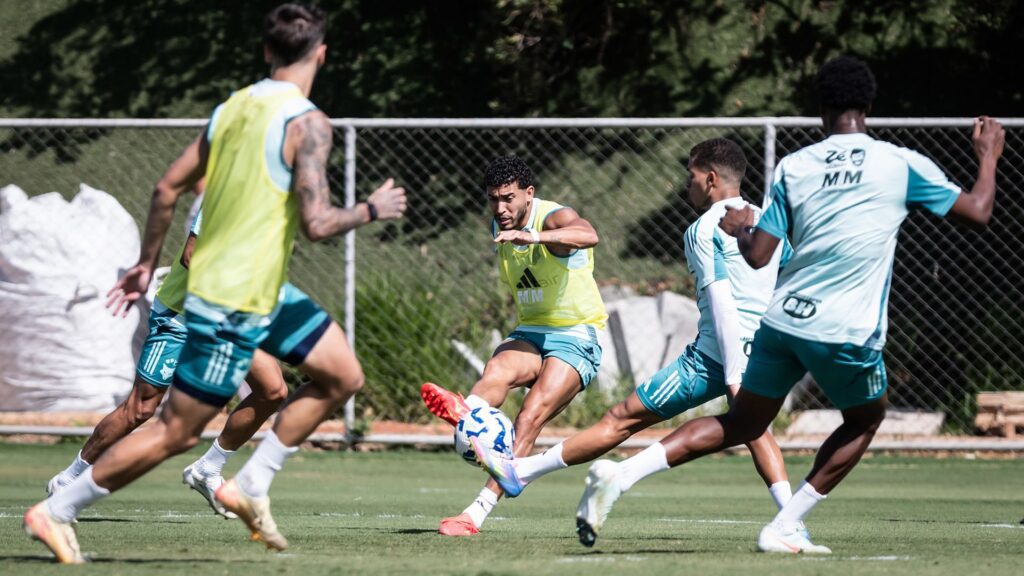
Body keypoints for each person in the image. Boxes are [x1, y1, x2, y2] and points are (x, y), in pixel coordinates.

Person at [572, 55, 1005, 554]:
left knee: (744, 423)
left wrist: (739, 230)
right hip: (844, 326)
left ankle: (620, 476)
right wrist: (988, 154)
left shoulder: (796, 166)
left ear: (820, 106)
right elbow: (978, 212)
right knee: (865, 419)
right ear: (868, 105)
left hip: (781, 324)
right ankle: (785, 524)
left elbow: (757, 256)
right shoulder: (899, 162)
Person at [23, 4, 407, 563]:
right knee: (172, 428)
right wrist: (373, 208)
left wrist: (143, 262)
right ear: (321, 54)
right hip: (230, 298)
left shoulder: (231, 108)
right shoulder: (308, 123)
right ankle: (57, 509)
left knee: (340, 373)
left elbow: (164, 189)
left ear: (267, 52)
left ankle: (248, 483)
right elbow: (318, 224)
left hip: (261, 291)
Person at [473, 139, 796, 547]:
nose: (687, 185)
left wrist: (733, 372)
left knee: (622, 420)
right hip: (762, 351)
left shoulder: (701, 229)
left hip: (713, 357)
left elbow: (721, 305)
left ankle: (553, 472)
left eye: (691, 176)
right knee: (752, 426)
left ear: (711, 179)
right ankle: (791, 520)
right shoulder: (769, 223)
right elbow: (785, 282)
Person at [46, 206, 288, 520]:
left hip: (227, 318)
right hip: (181, 317)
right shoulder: (227, 194)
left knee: (273, 391)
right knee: (140, 409)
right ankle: (69, 478)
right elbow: (191, 256)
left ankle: (208, 468)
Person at [420, 155, 606, 536]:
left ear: (529, 194)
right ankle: (467, 414)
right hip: (532, 331)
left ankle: (475, 513)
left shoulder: (550, 218)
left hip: (576, 335)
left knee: (530, 416)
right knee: (496, 372)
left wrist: (534, 236)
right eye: (493, 199)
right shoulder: (498, 223)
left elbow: (588, 234)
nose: (501, 208)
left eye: (508, 198)